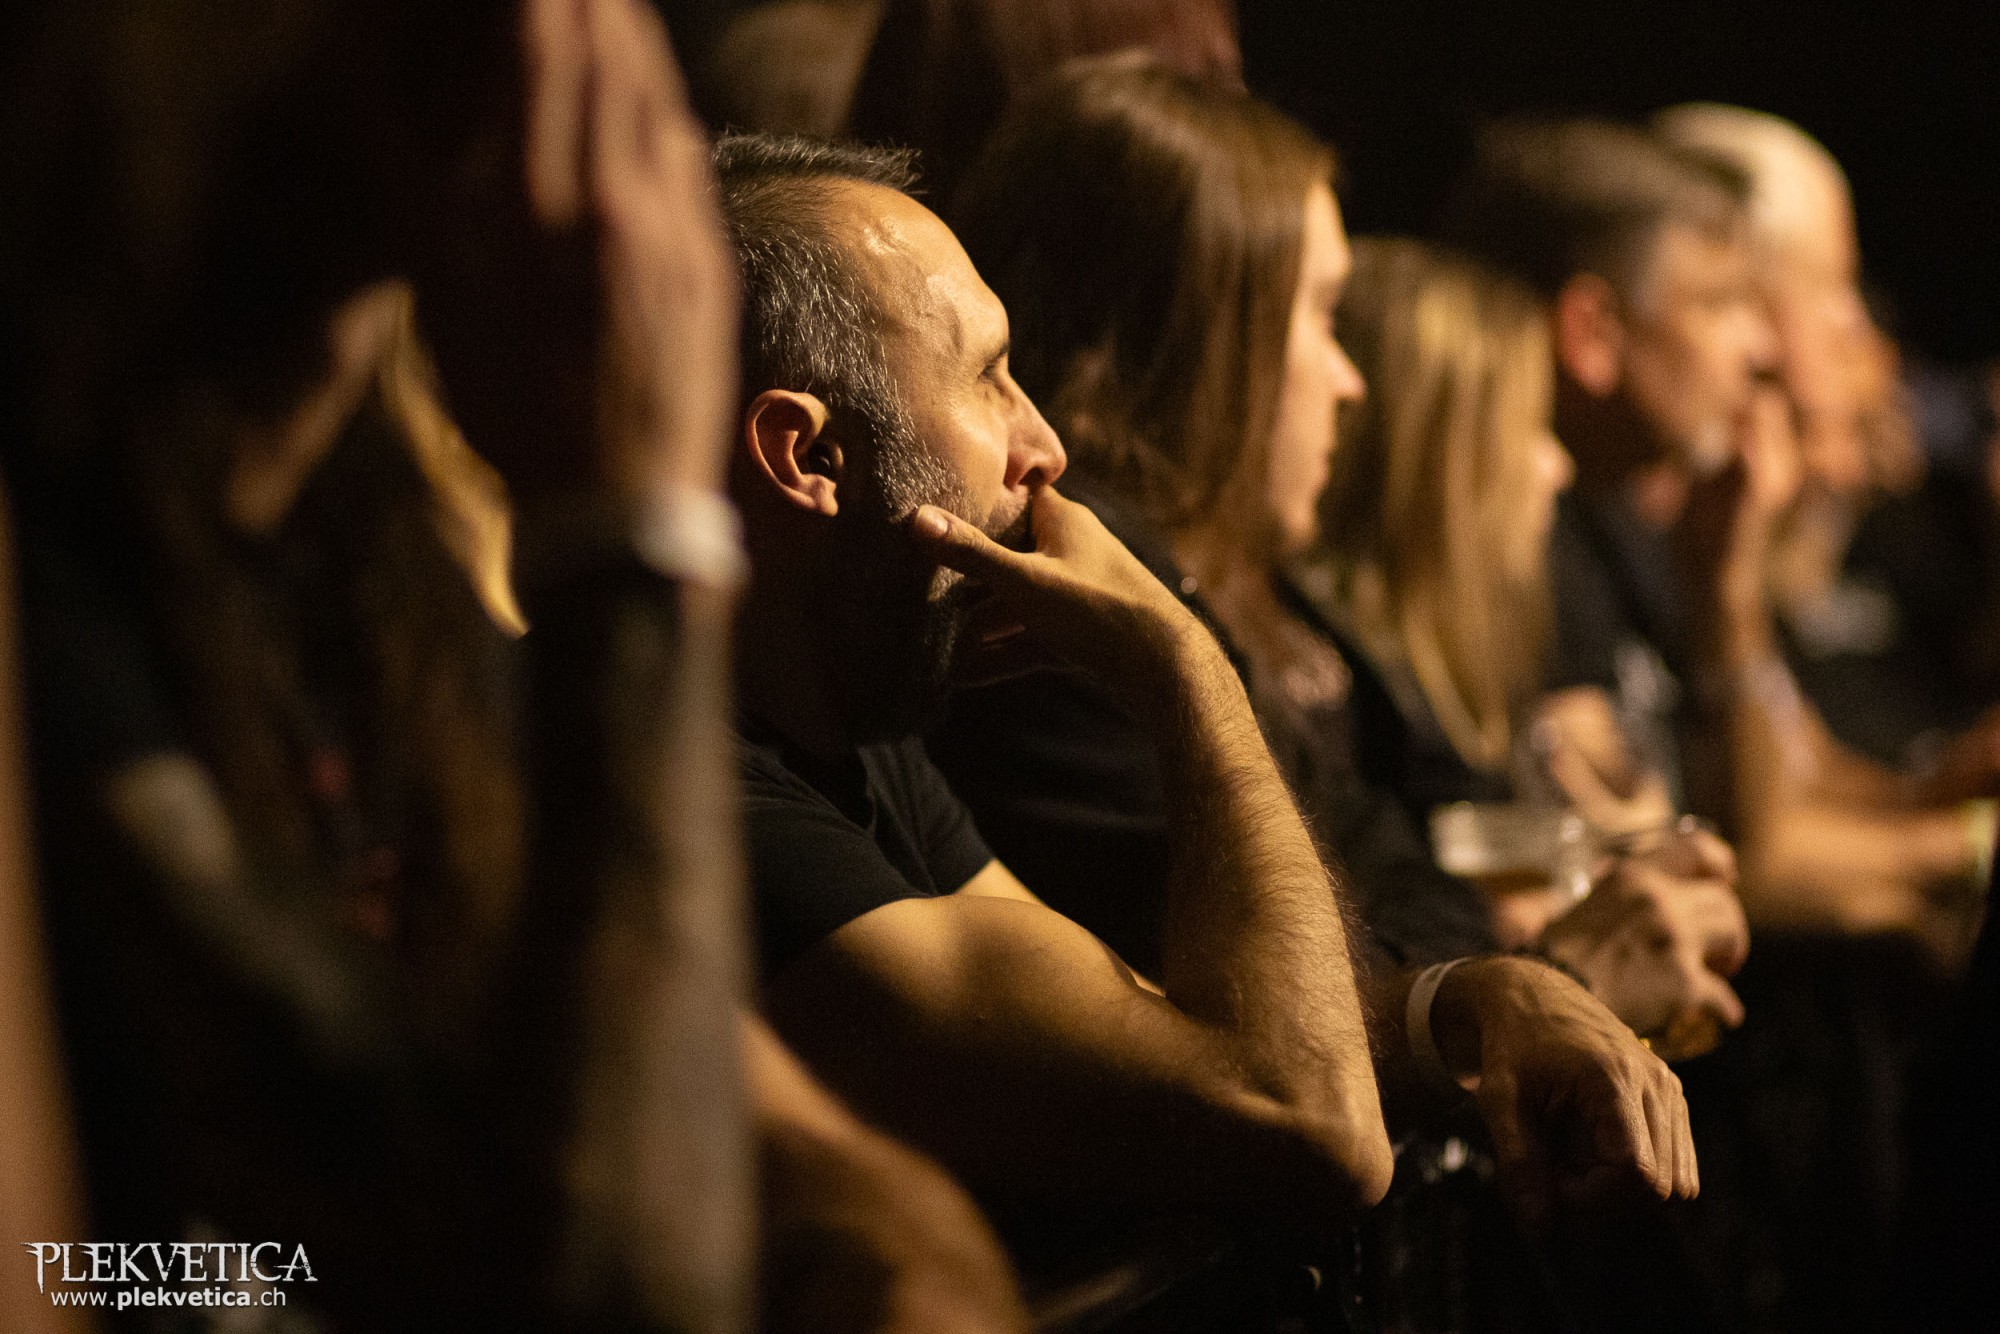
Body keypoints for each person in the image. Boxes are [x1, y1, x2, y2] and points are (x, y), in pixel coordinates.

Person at [2, 2, 1026, 1329]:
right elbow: (621, 1268)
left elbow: (790, 1151)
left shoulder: (380, 570)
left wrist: (906, 1257)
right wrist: (632, 534)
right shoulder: (58, 584)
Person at [931, 58, 1703, 1324]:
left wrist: (1507, 976)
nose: (1349, 380)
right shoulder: (1077, 614)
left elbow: (1400, 879)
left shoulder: (1245, 591)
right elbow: (1278, 996)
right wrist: (1523, 980)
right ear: (1205, 339)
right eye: (1321, 319)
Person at [715, 132, 1397, 1247]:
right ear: (808, 457)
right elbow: (1307, 1119)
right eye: (986, 374)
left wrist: (1458, 1011)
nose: (1043, 445)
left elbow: (1157, 1025)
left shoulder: (855, 734)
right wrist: (1186, 675)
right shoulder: (716, 813)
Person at [1303, 236, 1750, 1051]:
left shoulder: (1463, 672)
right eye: (1530, 430)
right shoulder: (1354, 704)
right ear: (1438, 463)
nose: (1557, 468)